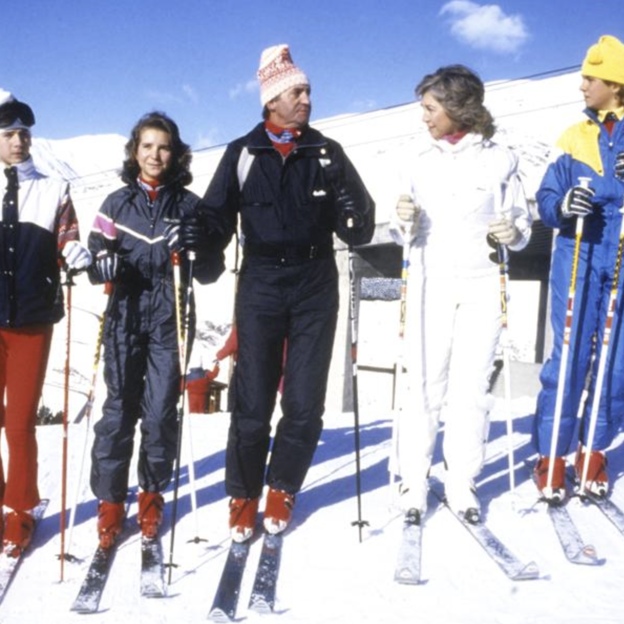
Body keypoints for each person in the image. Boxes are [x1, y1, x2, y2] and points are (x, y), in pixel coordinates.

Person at [200, 44, 375, 542]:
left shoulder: (326, 152)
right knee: (251, 399)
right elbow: (215, 218)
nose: (306, 99)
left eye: (307, 91)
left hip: (316, 280)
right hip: (260, 281)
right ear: (272, 98)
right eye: (297, 91)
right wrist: (200, 241)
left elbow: (359, 225)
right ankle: (243, 492)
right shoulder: (242, 153)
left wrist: (353, 210)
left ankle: (282, 486)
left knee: (303, 400)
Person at [390, 65, 531, 524]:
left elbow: (523, 228)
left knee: (471, 389)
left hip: (482, 286)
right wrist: (403, 221)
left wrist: (513, 232)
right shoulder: (417, 160)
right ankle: (413, 479)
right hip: (431, 284)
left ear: (457, 107)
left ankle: (461, 481)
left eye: (431, 108)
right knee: (424, 384)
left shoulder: (500, 160)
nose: (424, 117)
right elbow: (400, 232)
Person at [87, 111, 225, 548]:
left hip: (172, 318)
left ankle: (151, 496)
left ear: (175, 153)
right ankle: (110, 504)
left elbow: (210, 270)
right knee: (118, 413)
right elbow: (94, 258)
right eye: (147, 146)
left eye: (163, 147)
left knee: (162, 412)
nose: (155, 154)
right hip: (125, 316)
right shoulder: (115, 204)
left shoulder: (190, 206)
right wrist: (100, 264)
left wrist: (195, 246)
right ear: (134, 152)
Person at [0, 90, 92, 556]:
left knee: (18, 423)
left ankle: (20, 508)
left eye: (24, 133)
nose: (19, 141)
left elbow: (68, 235)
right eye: (9, 133)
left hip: (32, 321)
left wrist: (74, 251)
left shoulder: (53, 189)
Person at [533, 35, 624, 502]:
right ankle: (552, 453)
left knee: (616, 362)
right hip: (580, 252)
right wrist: (564, 204)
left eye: (590, 77)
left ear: (615, 82)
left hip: (622, 252)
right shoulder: (573, 136)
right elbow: (546, 198)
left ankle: (594, 450)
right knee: (569, 358)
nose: (582, 84)